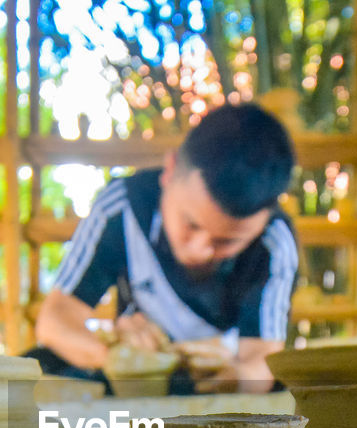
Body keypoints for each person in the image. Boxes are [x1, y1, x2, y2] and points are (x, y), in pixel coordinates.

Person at [30, 103, 298, 393]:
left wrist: (238, 377)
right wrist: (123, 358)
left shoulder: (274, 241)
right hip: (132, 382)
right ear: (169, 173)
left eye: (226, 242)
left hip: (214, 386)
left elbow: (260, 362)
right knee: (37, 368)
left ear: (262, 222)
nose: (200, 250)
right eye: (191, 224)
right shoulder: (123, 207)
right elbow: (54, 322)